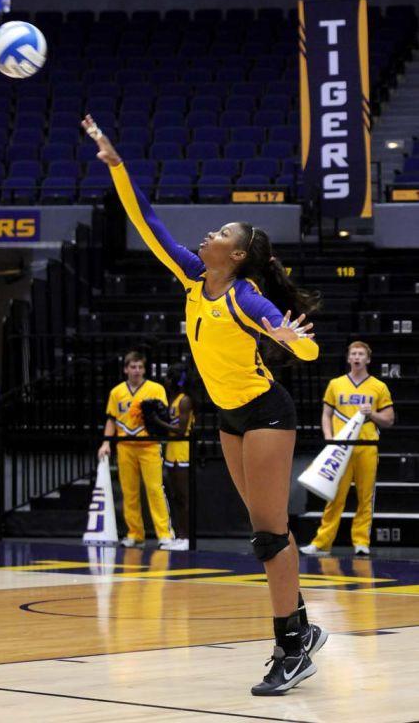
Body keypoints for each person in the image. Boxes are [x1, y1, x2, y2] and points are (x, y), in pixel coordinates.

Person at [83, 114, 327, 696]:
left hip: (267, 411)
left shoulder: (246, 297)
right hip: (229, 418)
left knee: (269, 534)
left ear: (238, 255)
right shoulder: (195, 278)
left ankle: (290, 648)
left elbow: (308, 345)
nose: (208, 236)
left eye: (220, 232)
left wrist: (295, 340)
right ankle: (302, 628)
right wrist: (117, 164)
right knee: (267, 530)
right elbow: (147, 222)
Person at [300, 341, 394, 557]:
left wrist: (372, 414)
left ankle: (361, 542)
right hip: (340, 449)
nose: (357, 357)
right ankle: (322, 543)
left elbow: (389, 419)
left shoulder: (379, 386)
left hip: (367, 446)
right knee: (334, 496)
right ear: (348, 358)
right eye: (354, 353)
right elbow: (326, 414)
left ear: (368, 359)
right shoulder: (336, 384)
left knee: (365, 497)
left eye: (361, 354)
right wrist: (329, 439)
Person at [98, 350, 176, 549]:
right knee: (129, 492)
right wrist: (106, 443)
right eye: (133, 367)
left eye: (140, 367)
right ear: (125, 369)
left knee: (155, 489)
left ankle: (165, 534)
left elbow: (163, 415)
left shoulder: (155, 389)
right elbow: (111, 419)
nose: (136, 370)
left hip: (149, 445)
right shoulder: (116, 392)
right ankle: (135, 534)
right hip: (125, 446)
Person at [153, 363, 195, 551]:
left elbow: (179, 431)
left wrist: (157, 421)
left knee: (183, 496)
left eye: (169, 377)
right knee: (176, 496)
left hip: (182, 451)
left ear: (176, 380)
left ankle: (186, 538)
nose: (166, 381)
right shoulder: (174, 399)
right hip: (171, 450)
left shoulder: (185, 400)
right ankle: (180, 535)